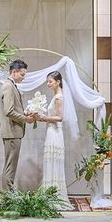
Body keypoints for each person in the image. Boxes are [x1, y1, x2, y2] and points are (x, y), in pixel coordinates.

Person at [34, 70, 73, 209]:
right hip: (52, 131)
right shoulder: (57, 96)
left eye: (50, 81)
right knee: (51, 161)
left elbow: (59, 117)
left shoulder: (58, 97)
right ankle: (51, 194)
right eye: (47, 82)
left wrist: (42, 117)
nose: (48, 84)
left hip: (55, 132)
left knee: (53, 161)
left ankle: (55, 196)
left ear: (58, 82)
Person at [0, 59, 34, 190]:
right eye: (22, 75)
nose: (24, 78)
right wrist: (25, 119)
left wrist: (25, 113)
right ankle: (8, 196)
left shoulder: (11, 85)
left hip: (12, 132)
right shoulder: (8, 86)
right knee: (10, 167)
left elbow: (13, 109)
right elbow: (9, 111)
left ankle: (8, 195)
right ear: (14, 72)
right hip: (11, 132)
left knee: (10, 166)